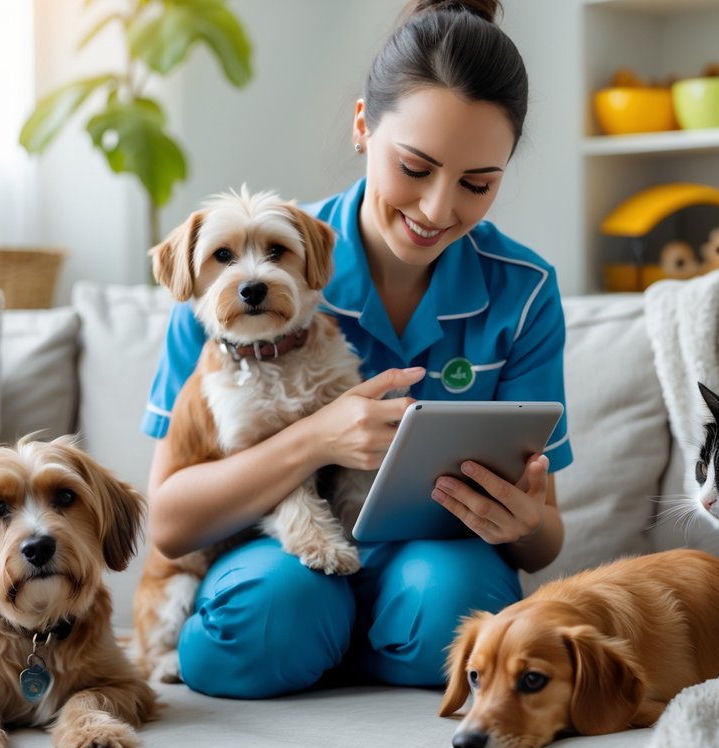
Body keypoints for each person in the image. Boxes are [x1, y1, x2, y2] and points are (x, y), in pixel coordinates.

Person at [140, 0, 573, 699]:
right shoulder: (242, 277)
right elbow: (168, 523)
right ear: (363, 126)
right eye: (414, 166)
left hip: (430, 563)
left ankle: (340, 647)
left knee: (451, 597)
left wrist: (525, 524)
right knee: (274, 606)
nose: (437, 209)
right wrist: (315, 439)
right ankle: (330, 637)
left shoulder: (523, 293)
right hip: (276, 558)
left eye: (476, 184)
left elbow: (543, 539)